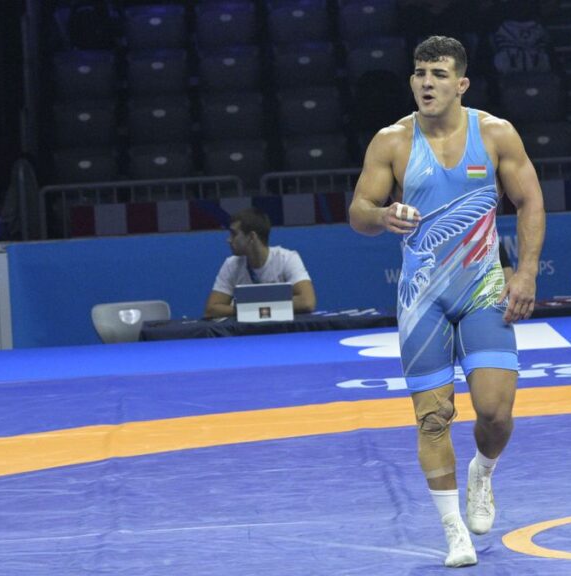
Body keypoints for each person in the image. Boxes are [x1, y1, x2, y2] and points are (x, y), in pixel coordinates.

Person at [348, 36, 545, 568]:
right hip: (422, 299)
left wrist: (526, 272)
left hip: (483, 290)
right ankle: (454, 532)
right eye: (419, 73)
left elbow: (529, 200)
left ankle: (483, 470)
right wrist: (382, 215)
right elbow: (359, 210)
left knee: (495, 412)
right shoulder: (392, 141)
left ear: (461, 84)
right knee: (433, 419)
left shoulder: (495, 133)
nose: (426, 82)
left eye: (438, 74)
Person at [204, 207, 316, 319]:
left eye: (234, 234)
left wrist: (250, 307)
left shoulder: (287, 259)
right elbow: (211, 310)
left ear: (251, 237)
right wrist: (253, 309)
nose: (228, 240)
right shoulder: (231, 264)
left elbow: (307, 302)